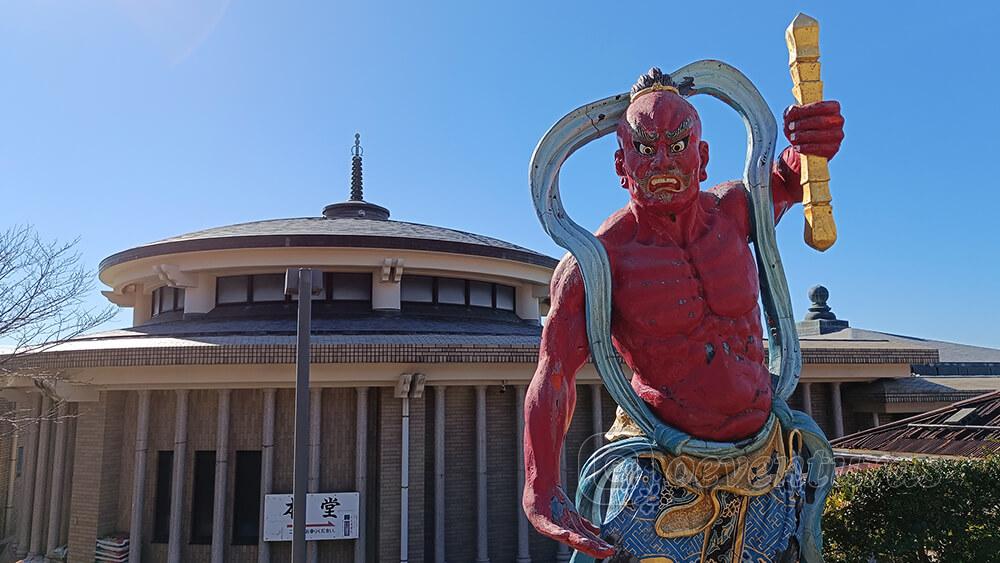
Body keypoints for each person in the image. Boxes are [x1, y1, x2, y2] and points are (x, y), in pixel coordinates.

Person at [522, 67, 844, 561]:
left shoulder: (738, 211)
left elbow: (787, 177)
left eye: (677, 145)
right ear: (621, 165)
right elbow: (555, 371)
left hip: (767, 459)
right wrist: (540, 485)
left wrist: (811, 140)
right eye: (645, 149)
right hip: (662, 466)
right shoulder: (597, 261)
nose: (663, 162)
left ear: (704, 156)